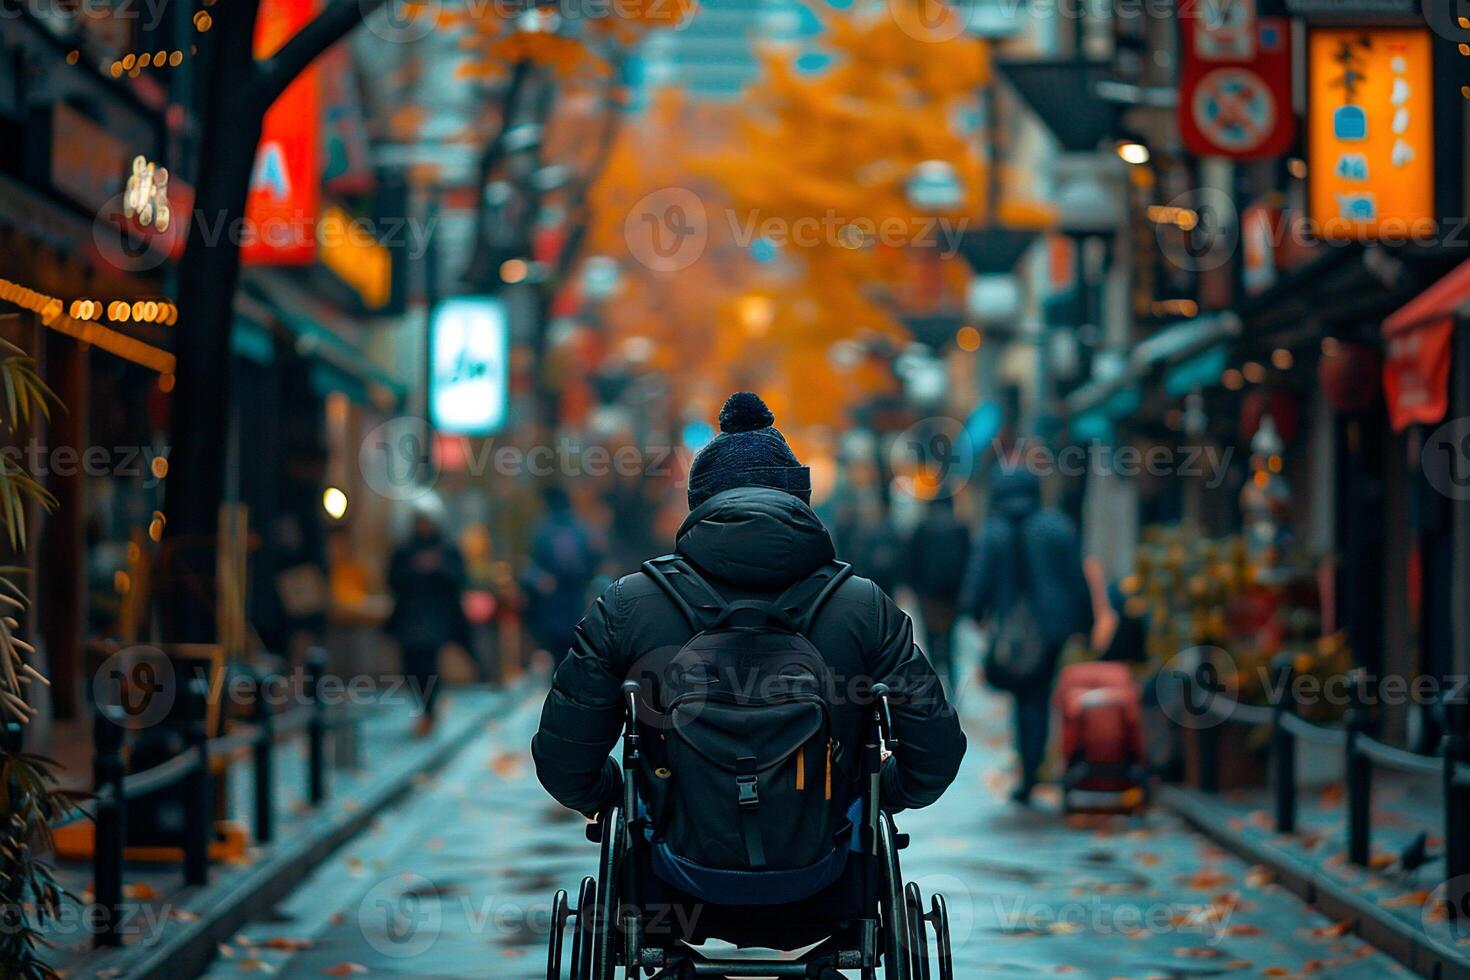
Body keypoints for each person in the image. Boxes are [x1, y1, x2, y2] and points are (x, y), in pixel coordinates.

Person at [532, 392, 966, 835]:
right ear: (801, 498)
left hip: (671, 874)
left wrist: (628, 795)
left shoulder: (629, 605)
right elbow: (935, 753)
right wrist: (872, 793)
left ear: (698, 503)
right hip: (828, 875)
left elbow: (564, 762)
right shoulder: (862, 607)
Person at [962, 466, 1092, 804]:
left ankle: (1031, 768)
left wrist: (975, 611)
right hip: (1054, 628)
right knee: (1044, 693)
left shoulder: (994, 532)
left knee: (1025, 698)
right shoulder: (1057, 527)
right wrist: (1086, 623)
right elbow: (1076, 579)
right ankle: (1046, 763)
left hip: (1013, 629)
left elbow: (979, 578)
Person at [386, 496, 470, 736]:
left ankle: (430, 712)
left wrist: (437, 569)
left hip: (435, 622)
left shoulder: (447, 549)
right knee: (410, 669)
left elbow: (457, 580)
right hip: (408, 621)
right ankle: (426, 711)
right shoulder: (404, 549)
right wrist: (415, 570)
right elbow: (392, 579)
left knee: (429, 669)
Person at [521, 485, 599, 669]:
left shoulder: (543, 531)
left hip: (564, 598)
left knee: (562, 649)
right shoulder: (580, 529)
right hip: (567, 599)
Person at [902, 495, 971, 695]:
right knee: (950, 643)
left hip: (928, 598)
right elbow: (969, 562)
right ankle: (953, 687)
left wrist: (915, 590)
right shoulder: (960, 527)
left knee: (931, 643)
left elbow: (910, 561)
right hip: (951, 597)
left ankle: (934, 689)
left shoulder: (922, 528)